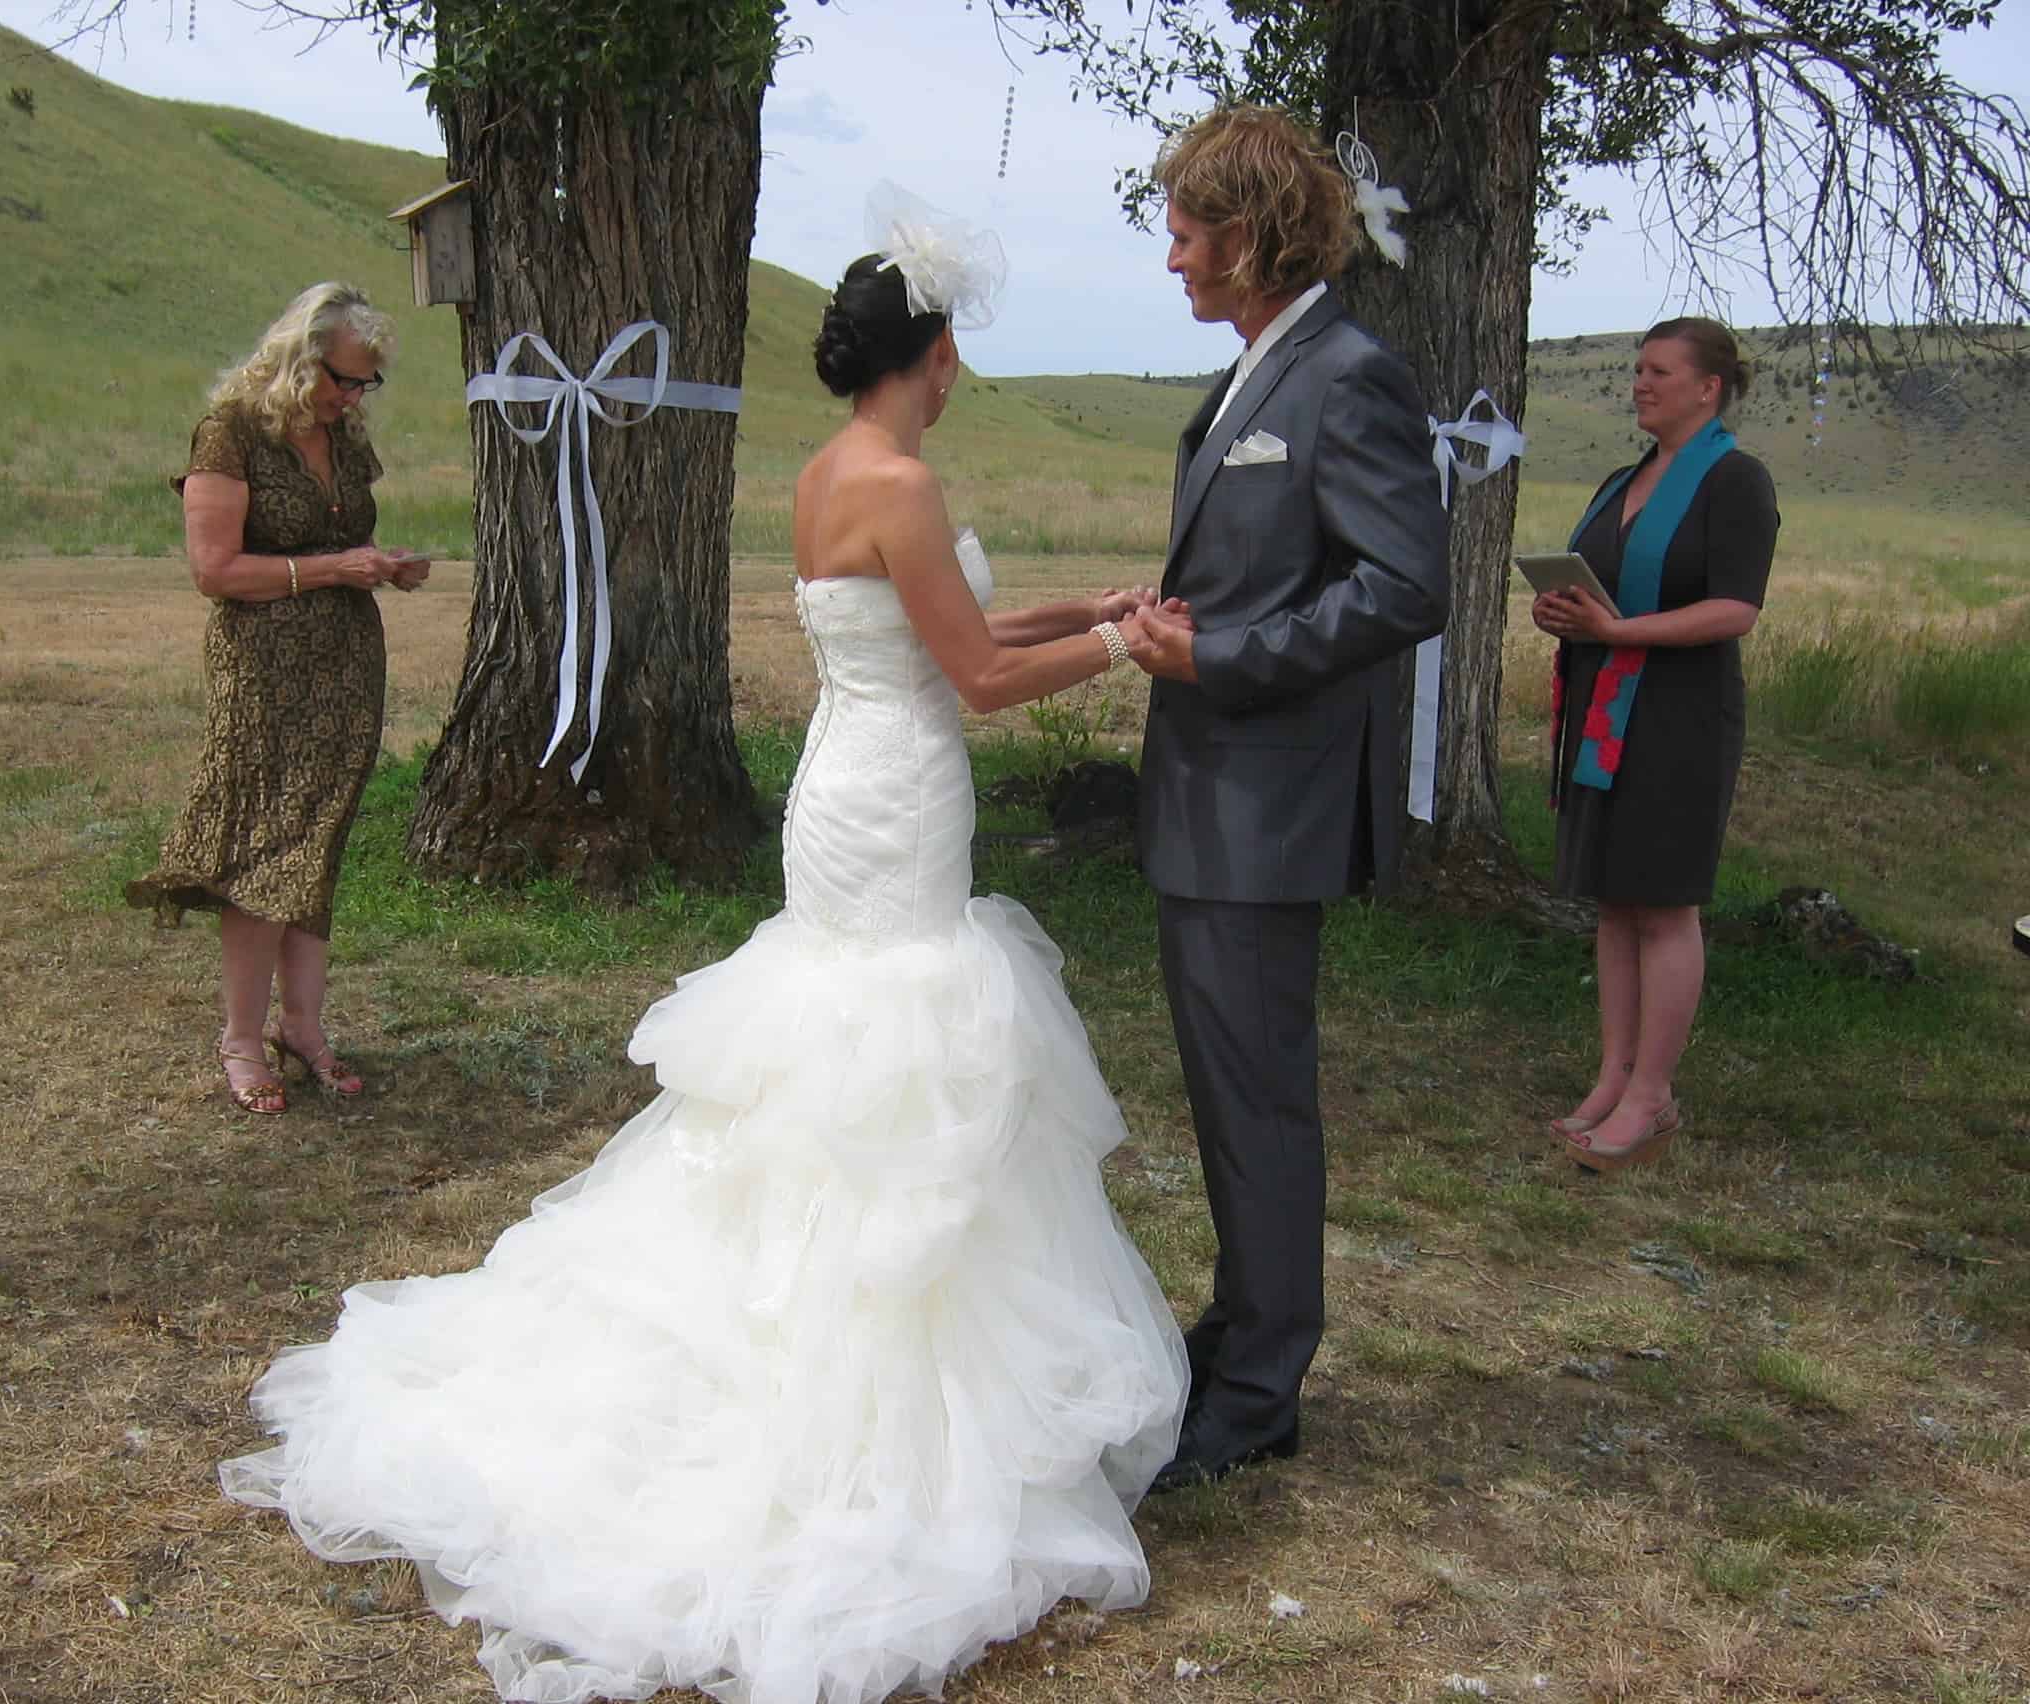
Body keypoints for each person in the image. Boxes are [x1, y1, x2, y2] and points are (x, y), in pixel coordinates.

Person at [218, 205, 1189, 1704]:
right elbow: (985, 677)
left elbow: (955, 622)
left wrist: (1097, 602)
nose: (958, 380)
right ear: (924, 356)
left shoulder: (828, 475)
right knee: (896, 1037)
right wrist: (1127, 653)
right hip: (896, 795)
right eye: (955, 358)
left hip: (851, 783)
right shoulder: (905, 482)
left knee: (846, 1030)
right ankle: (852, 1367)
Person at [1121, 107, 1451, 1492]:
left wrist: (1224, 657)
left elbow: (1404, 585)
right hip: (1212, 801)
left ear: (1250, 238)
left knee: (1260, 1104)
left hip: (1266, 809)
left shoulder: (1345, 375)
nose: (1177, 261)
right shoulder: (1263, 371)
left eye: (1190, 234)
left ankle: (1259, 1391)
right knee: (1229, 1093)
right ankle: (1240, 1332)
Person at [126, 282, 429, 1115]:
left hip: (344, 670)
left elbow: (341, 539)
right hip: (265, 673)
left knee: (316, 847)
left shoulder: (343, 434)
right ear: (302, 358)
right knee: (265, 852)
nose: (353, 396)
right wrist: (335, 568)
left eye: (367, 383)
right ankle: (238, 1038)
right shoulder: (230, 435)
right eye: (344, 378)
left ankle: (304, 1027)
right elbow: (214, 572)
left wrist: (382, 563)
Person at [1533, 317, 1780, 1172]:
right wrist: (1567, 612)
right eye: (1637, 370)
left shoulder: (1736, 482)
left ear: (1708, 388)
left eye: (1658, 372)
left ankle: (1653, 1095)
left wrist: (1622, 625)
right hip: (1607, 707)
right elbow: (1597, 586)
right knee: (1615, 898)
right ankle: (1613, 1076)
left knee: (1665, 903)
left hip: (1677, 713)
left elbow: (1736, 609)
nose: (1640, 383)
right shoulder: (1623, 478)